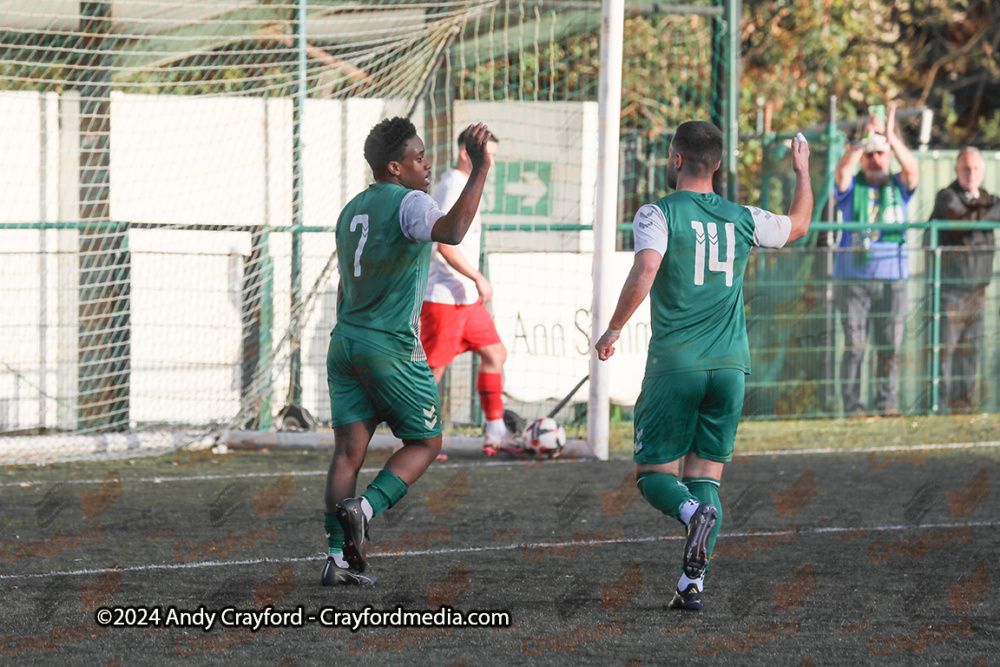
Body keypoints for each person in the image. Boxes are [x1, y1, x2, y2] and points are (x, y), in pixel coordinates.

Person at [595, 121, 813, 611]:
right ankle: (691, 585)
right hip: (731, 367)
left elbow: (646, 267)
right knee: (705, 477)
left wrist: (612, 330)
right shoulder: (743, 216)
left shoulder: (657, 213)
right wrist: (802, 171)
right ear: (717, 165)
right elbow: (798, 225)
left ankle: (692, 514)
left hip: (677, 364)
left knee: (654, 475)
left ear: (675, 159)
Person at [321, 117, 493, 586]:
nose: (426, 163)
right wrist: (480, 170)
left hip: (345, 342)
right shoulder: (412, 202)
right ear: (394, 167)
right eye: (418, 158)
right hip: (391, 346)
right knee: (425, 443)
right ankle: (366, 508)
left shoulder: (351, 208)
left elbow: (345, 284)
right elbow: (453, 232)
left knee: (347, 455)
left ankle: (337, 560)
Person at [420, 129, 513, 457]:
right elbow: (443, 244)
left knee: (495, 353)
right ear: (466, 153)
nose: (493, 162)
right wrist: (477, 277)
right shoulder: (450, 186)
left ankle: (495, 430)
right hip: (443, 297)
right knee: (433, 370)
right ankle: (422, 439)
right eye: (490, 154)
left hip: (465, 299)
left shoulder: (466, 185)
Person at [833, 105, 919, 418]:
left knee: (889, 345)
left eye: (880, 154)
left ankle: (887, 403)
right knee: (855, 345)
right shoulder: (852, 186)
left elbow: (912, 170)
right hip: (853, 278)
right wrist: (865, 138)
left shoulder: (897, 186)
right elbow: (842, 172)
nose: (875, 159)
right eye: (870, 154)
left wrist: (890, 137)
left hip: (892, 276)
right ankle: (853, 406)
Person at [930, 147, 1000, 413]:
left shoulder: (987, 198)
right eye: (965, 168)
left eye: (975, 169)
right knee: (945, 351)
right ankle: (941, 406)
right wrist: (982, 214)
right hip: (950, 290)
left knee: (971, 352)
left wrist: (977, 213)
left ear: (983, 172)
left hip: (978, 291)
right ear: (957, 170)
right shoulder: (946, 196)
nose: (971, 174)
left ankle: (964, 405)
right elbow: (963, 222)